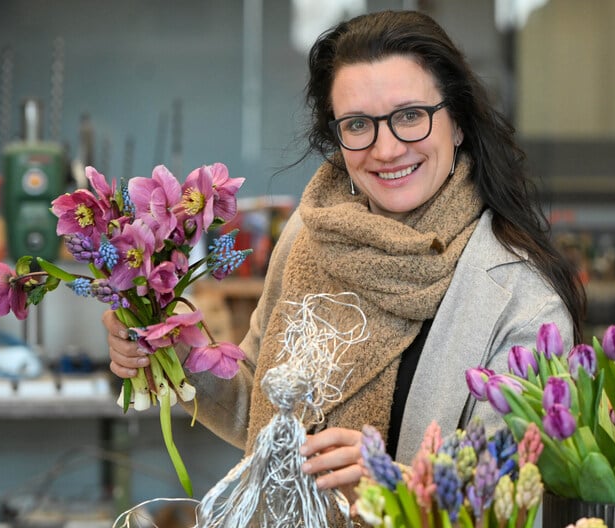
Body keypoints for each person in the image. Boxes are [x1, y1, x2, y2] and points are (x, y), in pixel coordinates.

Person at [102, 9, 585, 496]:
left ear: (457, 122)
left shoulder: (518, 298)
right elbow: (261, 415)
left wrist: (392, 485)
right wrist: (178, 349)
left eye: (411, 116)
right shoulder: (311, 236)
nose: (387, 149)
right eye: (358, 124)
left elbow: (513, 492)